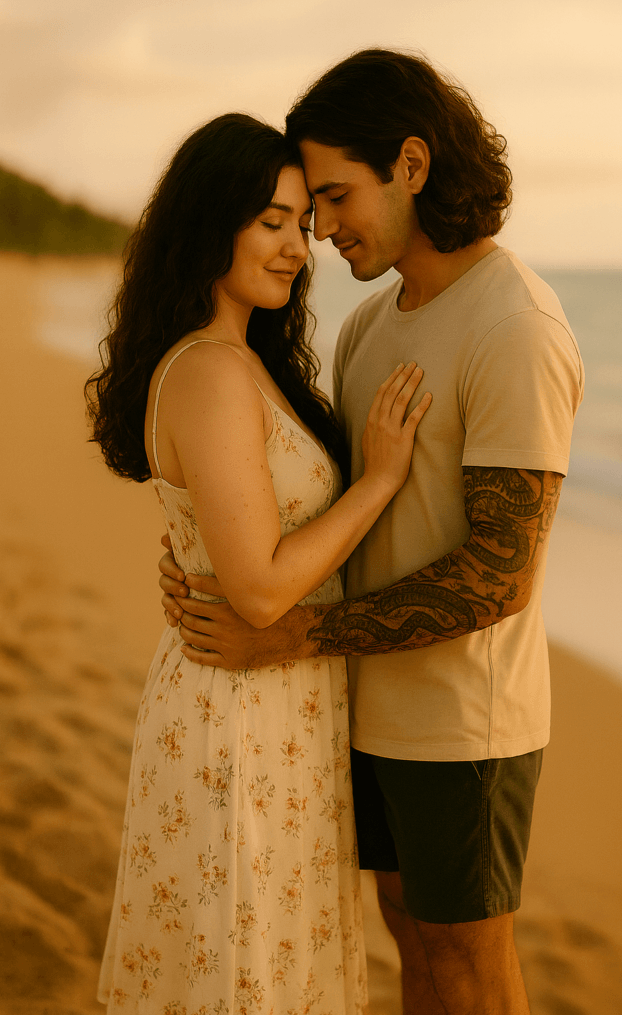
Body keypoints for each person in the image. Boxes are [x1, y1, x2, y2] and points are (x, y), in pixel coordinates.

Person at [158, 51, 585, 1015]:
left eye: (337, 198)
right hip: (366, 712)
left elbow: (495, 577)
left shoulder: (513, 325)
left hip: (464, 724)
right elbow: (330, 510)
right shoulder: (370, 328)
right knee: (413, 956)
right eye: (309, 210)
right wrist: (204, 556)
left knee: (469, 967)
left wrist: (295, 633)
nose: (323, 232)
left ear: (413, 165)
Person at [86, 112, 432, 1014]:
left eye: (300, 222)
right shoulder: (208, 370)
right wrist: (382, 479)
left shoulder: (241, 361)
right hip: (237, 712)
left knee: (268, 956)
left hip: (273, 701)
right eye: (270, 221)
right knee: (243, 965)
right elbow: (259, 587)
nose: (297, 246)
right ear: (212, 223)